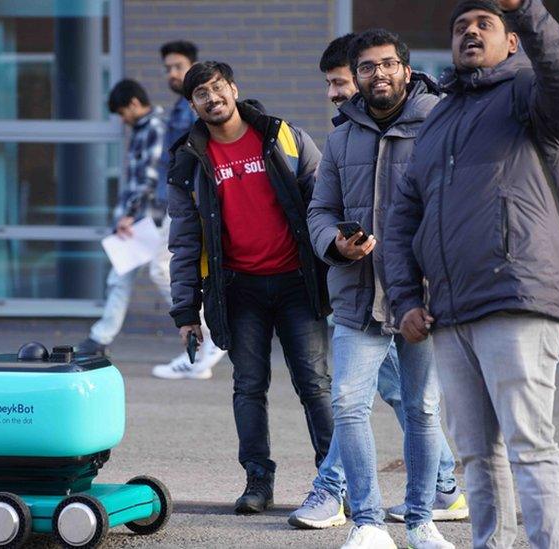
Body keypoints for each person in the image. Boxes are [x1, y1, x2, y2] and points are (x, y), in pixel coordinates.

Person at [384, 1, 559, 547]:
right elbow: (403, 218)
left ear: (513, 42)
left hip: (516, 296)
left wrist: (525, 9)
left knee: (528, 442)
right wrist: (405, 299)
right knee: (476, 453)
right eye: (460, 27)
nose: (469, 33)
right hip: (449, 312)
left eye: (484, 25)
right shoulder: (438, 118)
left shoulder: (528, 94)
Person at [167, 61, 346, 519]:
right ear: (192, 105)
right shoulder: (188, 158)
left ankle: (333, 481)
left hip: (296, 283)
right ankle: (257, 481)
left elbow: (325, 201)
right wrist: (186, 311)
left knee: (315, 385)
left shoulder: (281, 136)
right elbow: (184, 239)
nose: (212, 98)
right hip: (237, 289)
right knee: (248, 386)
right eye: (200, 94)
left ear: (234, 89)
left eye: (217, 87)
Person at [312, 33, 469, 528]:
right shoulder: (340, 138)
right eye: (366, 68)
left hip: (420, 299)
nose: (377, 74)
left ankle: (422, 520)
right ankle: (366, 522)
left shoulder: (442, 124)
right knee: (348, 405)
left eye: (387, 65)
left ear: (405, 69)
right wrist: (336, 243)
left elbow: (463, 206)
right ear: (356, 77)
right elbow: (320, 211)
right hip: (358, 295)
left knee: (422, 409)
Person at [76, 80, 178, 365]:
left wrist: (130, 213)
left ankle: (204, 329)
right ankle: (99, 338)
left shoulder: (155, 128)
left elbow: (150, 177)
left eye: (123, 113)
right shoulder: (143, 129)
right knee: (120, 279)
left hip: (148, 219)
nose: (123, 120)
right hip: (139, 219)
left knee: (163, 275)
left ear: (134, 103)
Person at [150, 39, 228, 379]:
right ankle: (207, 340)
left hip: (192, 202)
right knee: (172, 267)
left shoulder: (193, 110)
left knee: (165, 267)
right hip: (178, 202)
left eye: (178, 67)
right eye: (167, 68)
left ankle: (210, 339)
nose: (171, 73)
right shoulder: (179, 108)